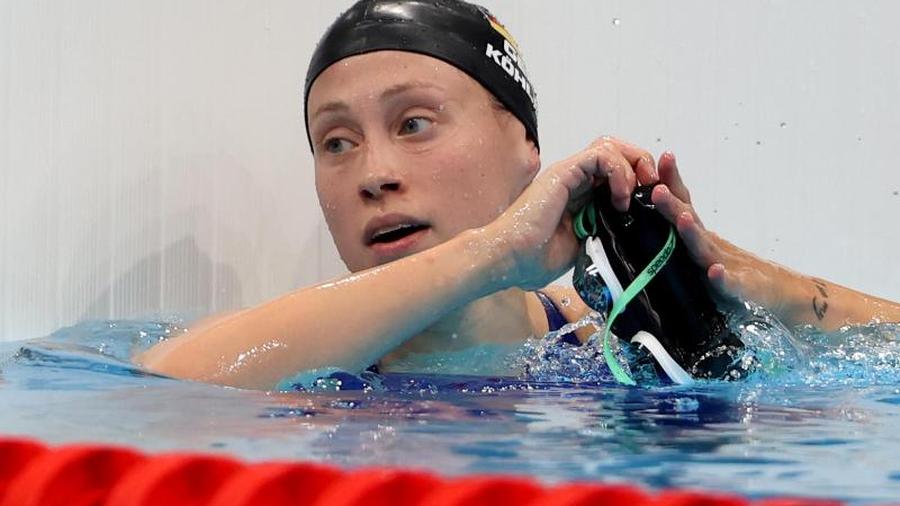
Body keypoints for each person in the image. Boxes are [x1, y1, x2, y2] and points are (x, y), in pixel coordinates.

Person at [136, 0, 900, 390]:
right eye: (336, 142)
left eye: (414, 123)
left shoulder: (600, 341)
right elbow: (158, 391)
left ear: (525, 148)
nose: (373, 172)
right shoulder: (298, 351)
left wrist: (756, 286)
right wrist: (495, 253)